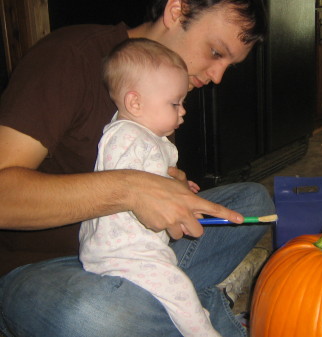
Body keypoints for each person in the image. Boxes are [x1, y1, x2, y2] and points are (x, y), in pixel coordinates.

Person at [0, 0, 274, 336]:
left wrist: (169, 188)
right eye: (216, 52)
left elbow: (147, 180)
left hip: (139, 251)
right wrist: (132, 189)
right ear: (177, 11)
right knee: (93, 316)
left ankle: (168, 302)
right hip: (40, 268)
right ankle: (198, 306)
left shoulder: (169, 83)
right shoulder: (69, 57)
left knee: (255, 202)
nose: (217, 76)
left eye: (230, 65)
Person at [79, 37, 218, 337]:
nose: (183, 111)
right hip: (123, 251)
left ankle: (178, 313)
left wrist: (179, 186)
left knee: (251, 199)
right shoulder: (125, 136)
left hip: (145, 248)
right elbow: (132, 185)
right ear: (135, 102)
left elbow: (158, 182)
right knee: (178, 288)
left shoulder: (150, 136)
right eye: (175, 103)